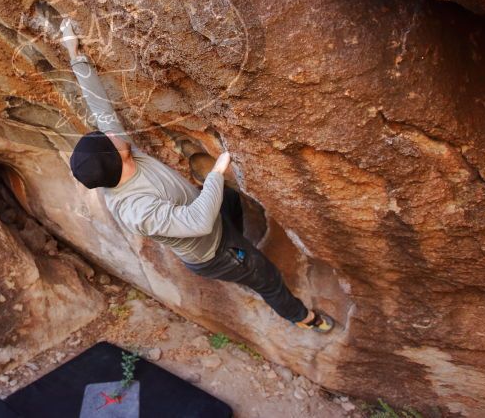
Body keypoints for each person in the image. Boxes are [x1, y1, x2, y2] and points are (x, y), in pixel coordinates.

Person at [60, 19, 333, 333]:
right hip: (216, 252)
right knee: (266, 277)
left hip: (210, 219)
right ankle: (303, 318)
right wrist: (218, 171)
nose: (110, 133)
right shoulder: (136, 210)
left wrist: (75, 53)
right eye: (107, 140)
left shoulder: (121, 153)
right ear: (115, 158)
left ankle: (241, 237)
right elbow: (197, 222)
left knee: (229, 199)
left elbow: (99, 106)